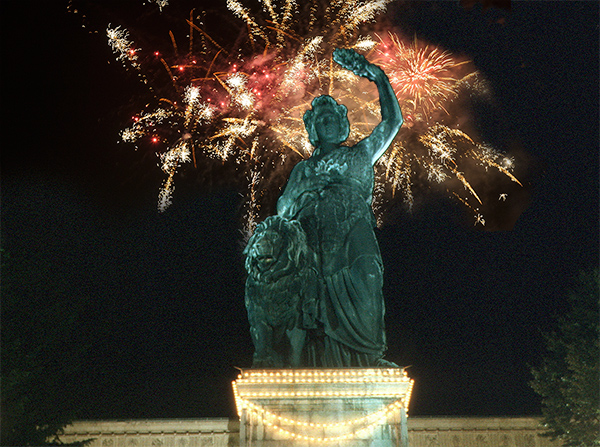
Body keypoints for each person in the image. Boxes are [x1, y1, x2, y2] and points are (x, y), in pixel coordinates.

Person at [276, 48, 403, 366]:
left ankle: (369, 353)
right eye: (321, 119)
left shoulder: (360, 155)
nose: (328, 122)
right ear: (313, 129)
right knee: (312, 296)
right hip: (315, 236)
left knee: (368, 274)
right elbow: (282, 210)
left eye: (333, 117)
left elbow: (393, 121)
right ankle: (317, 357)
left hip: (352, 227)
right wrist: (304, 195)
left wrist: (378, 76)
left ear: (343, 124)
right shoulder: (302, 169)